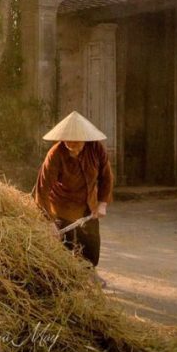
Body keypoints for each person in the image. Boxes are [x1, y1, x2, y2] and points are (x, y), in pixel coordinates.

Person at [33, 111, 114, 268]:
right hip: (62, 206)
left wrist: (102, 203)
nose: (72, 148)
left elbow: (106, 177)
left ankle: (89, 274)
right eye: (68, 143)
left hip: (88, 206)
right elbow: (42, 189)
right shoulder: (55, 154)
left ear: (85, 139)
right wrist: (48, 222)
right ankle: (69, 279)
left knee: (91, 248)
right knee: (65, 248)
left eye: (76, 144)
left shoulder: (96, 149)